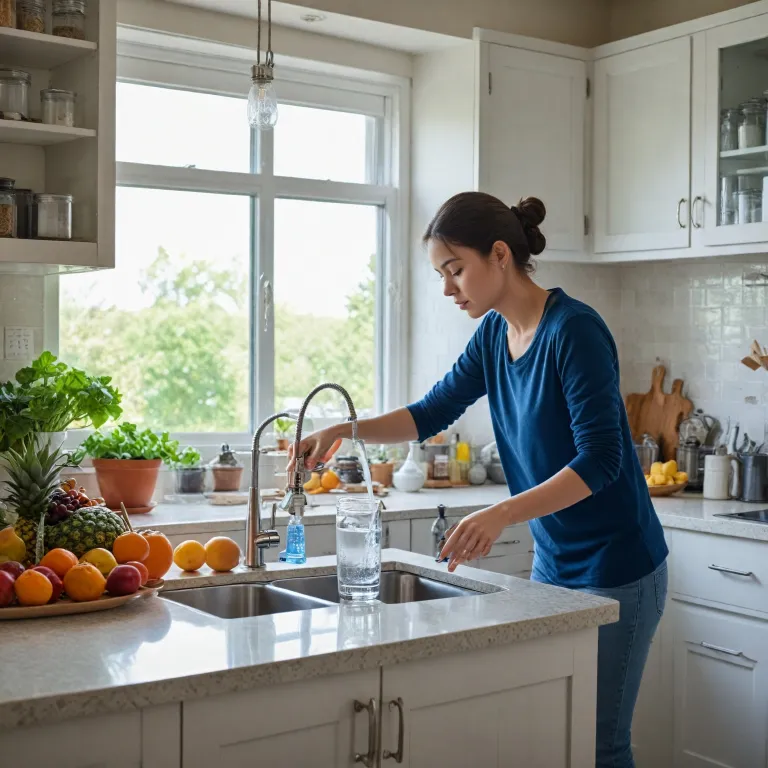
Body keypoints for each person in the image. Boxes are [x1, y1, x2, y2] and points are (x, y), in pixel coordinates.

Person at [290, 191, 668, 768]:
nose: (448, 289)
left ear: (499, 255)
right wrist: (344, 428)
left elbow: (601, 461)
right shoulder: (494, 334)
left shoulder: (574, 331)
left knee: (599, 746)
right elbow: (431, 412)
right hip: (554, 564)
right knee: (557, 736)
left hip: (618, 567)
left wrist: (502, 512)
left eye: (455, 270)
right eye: (441, 274)